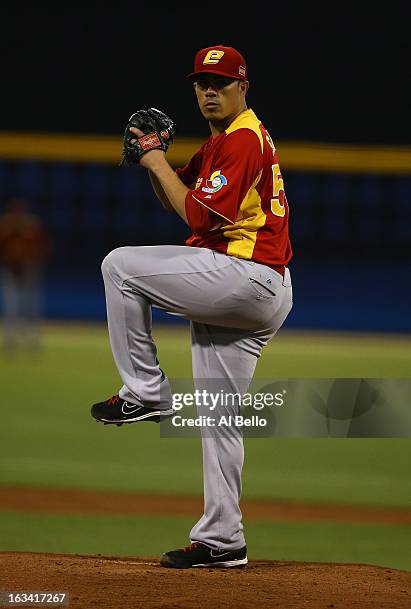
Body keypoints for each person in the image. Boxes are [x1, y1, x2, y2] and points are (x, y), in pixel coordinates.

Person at [91, 45, 293, 569]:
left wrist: (155, 157)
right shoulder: (222, 142)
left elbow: (199, 220)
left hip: (246, 278)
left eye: (220, 82)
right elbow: (178, 197)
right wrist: (152, 164)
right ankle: (223, 539)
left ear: (242, 86)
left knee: (119, 265)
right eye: (202, 82)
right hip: (256, 289)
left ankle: (145, 391)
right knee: (220, 416)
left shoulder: (243, 139)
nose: (208, 90)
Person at [0, 197, 50, 351]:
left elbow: (43, 247)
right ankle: (11, 340)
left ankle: (33, 340)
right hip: (10, 270)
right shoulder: (5, 226)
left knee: (31, 307)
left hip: (30, 270)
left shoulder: (31, 226)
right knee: (11, 307)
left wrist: (34, 263)